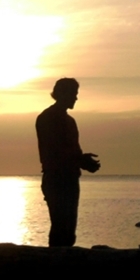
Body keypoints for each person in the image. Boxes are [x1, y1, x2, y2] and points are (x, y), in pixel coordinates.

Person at [36, 78, 100, 246]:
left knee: (69, 229)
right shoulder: (47, 118)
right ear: (62, 94)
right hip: (56, 179)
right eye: (73, 94)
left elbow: (73, 151)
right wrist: (81, 160)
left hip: (70, 179)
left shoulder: (70, 121)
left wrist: (85, 162)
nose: (75, 98)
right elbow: (54, 151)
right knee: (60, 227)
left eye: (76, 94)